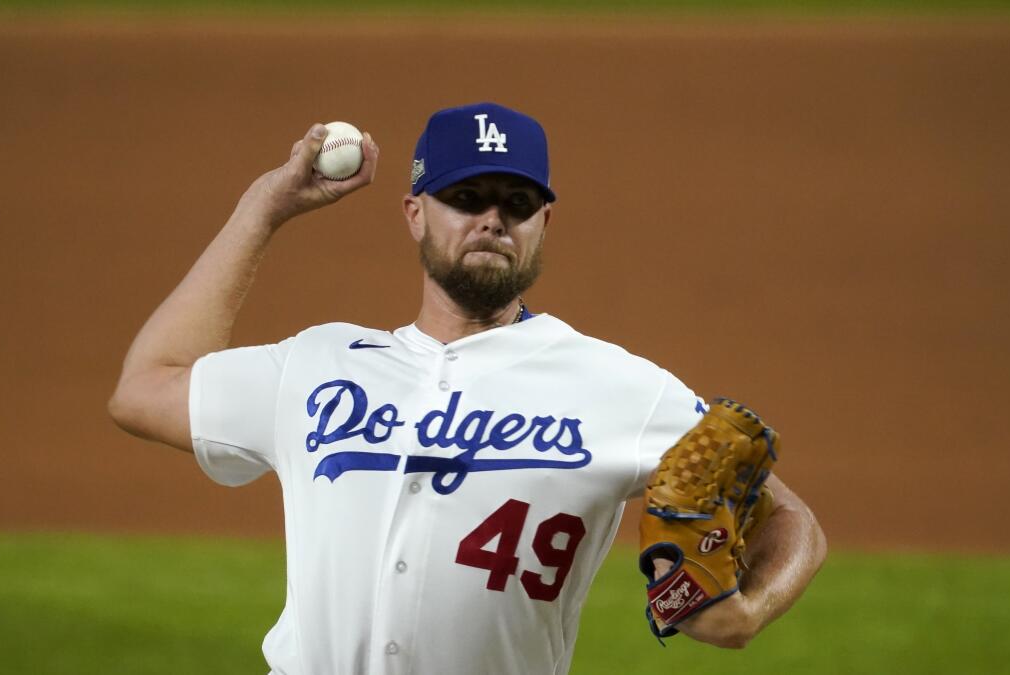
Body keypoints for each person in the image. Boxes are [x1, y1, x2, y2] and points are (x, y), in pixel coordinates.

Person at [109, 102, 826, 675]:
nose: (492, 217)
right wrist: (261, 209)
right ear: (416, 212)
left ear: (544, 222)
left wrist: (749, 609)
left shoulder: (618, 387)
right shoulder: (319, 364)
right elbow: (145, 388)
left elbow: (791, 516)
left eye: (517, 201)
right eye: (466, 195)